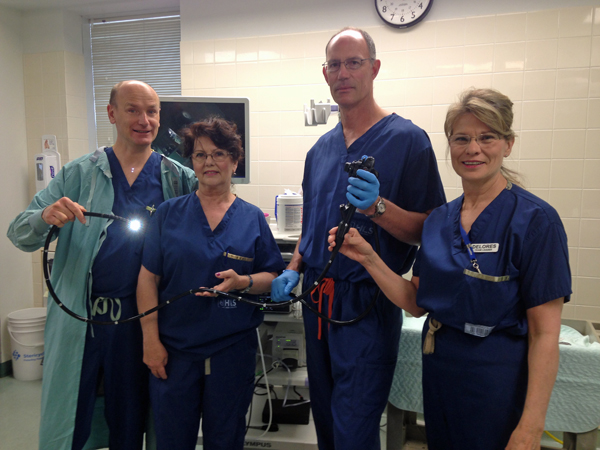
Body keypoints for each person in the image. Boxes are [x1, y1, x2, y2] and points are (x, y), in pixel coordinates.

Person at [328, 88, 571, 450]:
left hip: (497, 377)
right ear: (450, 146)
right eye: (462, 138)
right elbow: (415, 302)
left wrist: (530, 429)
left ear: (508, 144)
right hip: (441, 371)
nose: (473, 149)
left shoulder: (535, 221)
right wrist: (367, 257)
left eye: (487, 137)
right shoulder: (439, 220)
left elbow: (544, 335)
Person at [270, 27, 446, 449]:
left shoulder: (408, 141)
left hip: (367, 303)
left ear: (374, 68)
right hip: (317, 300)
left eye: (354, 62)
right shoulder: (320, 152)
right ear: (325, 73)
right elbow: (312, 224)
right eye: (335, 64)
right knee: (328, 424)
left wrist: (379, 208)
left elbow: (430, 230)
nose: (343, 73)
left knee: (354, 428)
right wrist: (293, 268)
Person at [7, 80, 198, 450]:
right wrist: (46, 215)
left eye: (152, 111)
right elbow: (19, 233)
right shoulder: (80, 175)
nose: (144, 120)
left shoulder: (177, 178)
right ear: (112, 113)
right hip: (85, 321)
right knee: (73, 417)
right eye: (132, 110)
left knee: (131, 420)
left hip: (145, 323)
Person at [137, 117, 286, 450]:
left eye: (219, 154)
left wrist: (243, 281)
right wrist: (150, 341)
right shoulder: (167, 214)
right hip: (174, 352)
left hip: (231, 353)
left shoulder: (252, 219)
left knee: (226, 440)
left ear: (235, 160)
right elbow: (148, 278)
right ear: (191, 162)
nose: (209, 162)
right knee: (172, 440)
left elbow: (272, 276)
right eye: (200, 155)